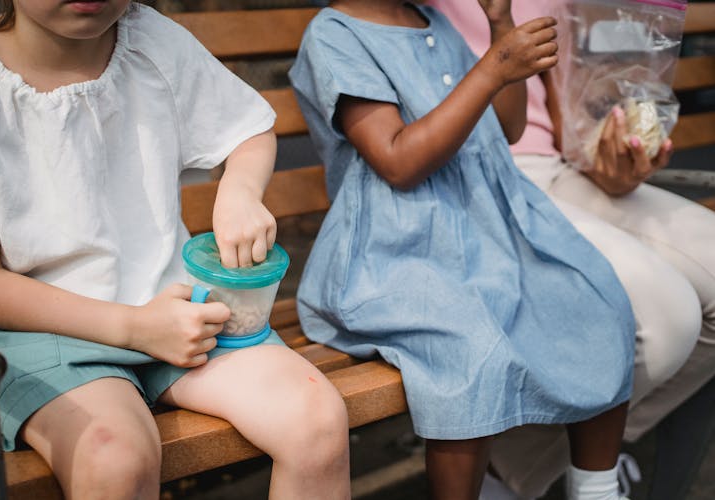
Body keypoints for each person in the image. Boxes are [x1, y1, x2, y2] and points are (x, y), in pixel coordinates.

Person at [0, 1, 351, 499]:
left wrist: (238, 191)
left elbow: (248, 131)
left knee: (316, 418)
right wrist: (133, 328)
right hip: (35, 332)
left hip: (176, 316)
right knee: (114, 456)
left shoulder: (150, 40)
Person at [289, 1, 638, 499]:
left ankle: (597, 489)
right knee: (472, 353)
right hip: (396, 253)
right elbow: (396, 161)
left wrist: (500, 29)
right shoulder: (334, 36)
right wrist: (494, 68)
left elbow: (509, 128)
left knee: (595, 300)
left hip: (485, 227)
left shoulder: (434, 22)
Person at [427, 0, 715, 498]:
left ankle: (520, 468)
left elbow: (562, 103)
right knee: (664, 316)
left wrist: (606, 158)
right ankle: (581, 469)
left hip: (554, 170)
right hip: (463, 178)